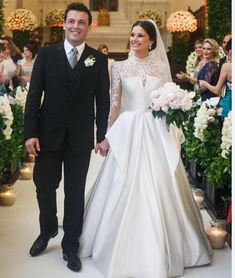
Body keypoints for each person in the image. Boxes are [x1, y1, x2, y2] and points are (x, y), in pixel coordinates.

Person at [79, 20, 212, 277]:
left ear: (151, 40)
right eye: (132, 35)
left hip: (155, 130)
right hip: (128, 128)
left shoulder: (161, 66)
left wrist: (174, 104)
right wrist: (106, 137)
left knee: (160, 184)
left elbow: (166, 97)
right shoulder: (118, 67)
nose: (135, 39)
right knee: (121, 181)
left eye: (140, 35)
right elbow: (115, 105)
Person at [24, 2, 110, 272]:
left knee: (75, 193)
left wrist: (101, 134)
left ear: (89, 26)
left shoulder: (98, 59)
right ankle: (48, 228)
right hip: (48, 136)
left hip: (80, 138)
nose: (76, 26)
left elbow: (103, 100)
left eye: (81, 22)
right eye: (71, 21)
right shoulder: (46, 55)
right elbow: (33, 96)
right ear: (64, 23)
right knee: (44, 186)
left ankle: (70, 244)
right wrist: (30, 133)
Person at [199, 38, 232, 117]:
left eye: (209, 49)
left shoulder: (226, 66)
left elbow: (217, 90)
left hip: (229, 103)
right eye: (204, 48)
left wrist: (205, 84)